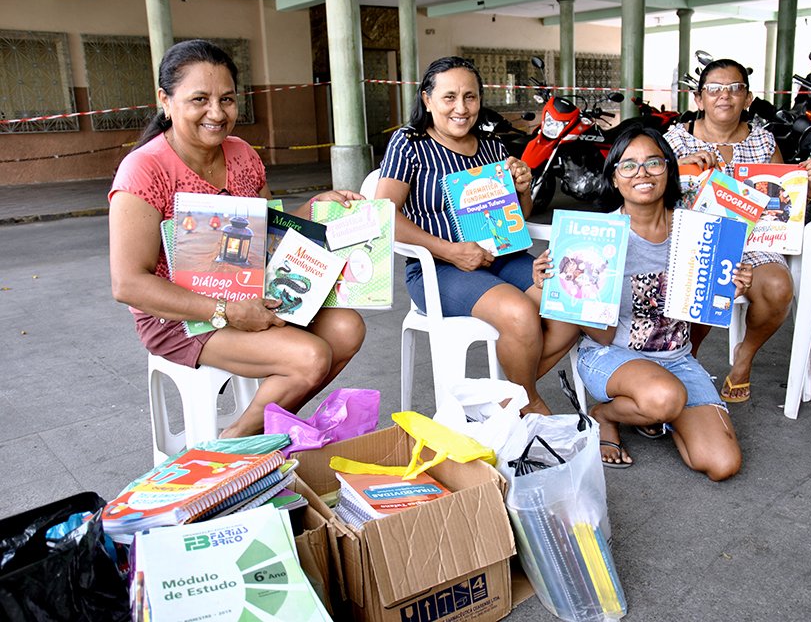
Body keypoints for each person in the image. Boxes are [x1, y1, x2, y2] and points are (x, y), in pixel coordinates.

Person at [108, 39, 366, 438]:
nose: (216, 112)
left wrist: (316, 208)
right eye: (199, 99)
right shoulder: (144, 170)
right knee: (310, 357)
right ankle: (232, 449)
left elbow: (268, 231)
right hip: (179, 316)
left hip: (250, 293)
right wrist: (226, 310)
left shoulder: (242, 153)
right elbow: (129, 284)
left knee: (348, 329)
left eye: (226, 99)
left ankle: (261, 429)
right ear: (165, 99)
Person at [533, 124, 750, 481]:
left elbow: (705, 308)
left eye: (654, 162)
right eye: (628, 165)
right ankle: (606, 415)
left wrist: (732, 288)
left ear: (669, 170)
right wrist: (561, 285)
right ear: (615, 178)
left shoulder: (698, 230)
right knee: (664, 397)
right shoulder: (593, 237)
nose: (643, 173)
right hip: (611, 355)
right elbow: (601, 336)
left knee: (721, 463)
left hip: (675, 359)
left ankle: (659, 414)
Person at [376, 56, 577, 415]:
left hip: (503, 258)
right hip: (439, 269)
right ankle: (527, 404)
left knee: (571, 307)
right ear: (427, 100)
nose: (461, 107)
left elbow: (519, 216)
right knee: (519, 314)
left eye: (470, 97)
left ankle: (509, 398)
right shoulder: (409, 144)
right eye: (449, 96)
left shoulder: (492, 147)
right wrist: (450, 251)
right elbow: (383, 214)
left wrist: (524, 188)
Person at [664, 58, 811, 404]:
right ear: (699, 99)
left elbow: (785, 196)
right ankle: (685, 359)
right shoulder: (675, 141)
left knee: (780, 288)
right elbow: (648, 185)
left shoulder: (764, 142)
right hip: (693, 238)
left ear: (748, 98)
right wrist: (683, 167)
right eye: (714, 89)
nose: (725, 96)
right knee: (705, 274)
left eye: (735, 88)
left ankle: (744, 356)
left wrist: (810, 185)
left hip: (754, 240)